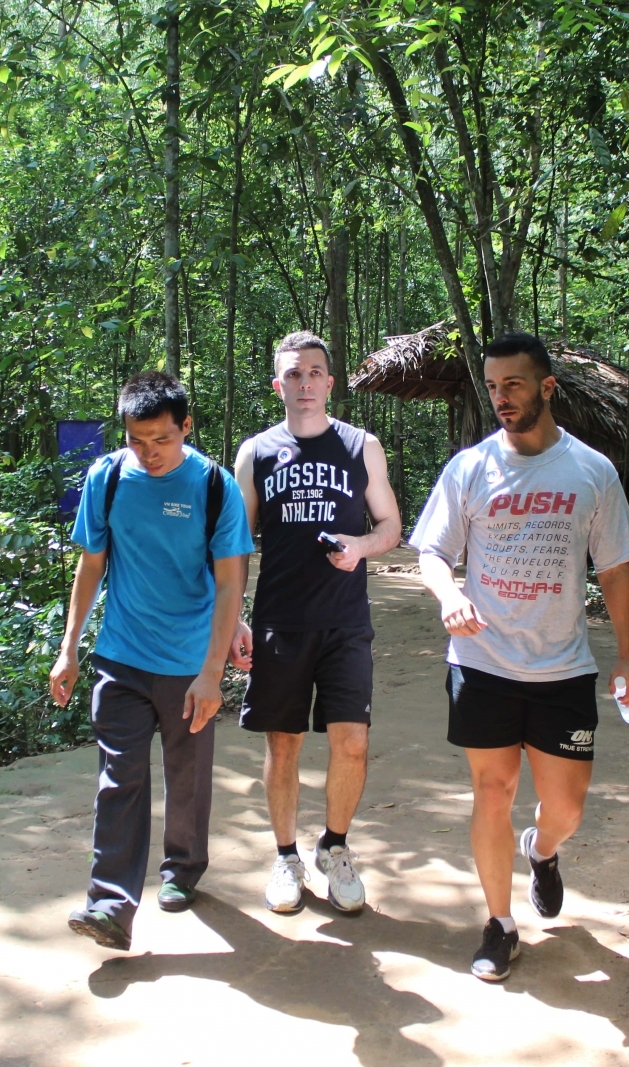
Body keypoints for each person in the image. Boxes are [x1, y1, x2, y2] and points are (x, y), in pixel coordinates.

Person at [410, 332, 629, 981]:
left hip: (562, 667)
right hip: (481, 660)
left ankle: (541, 850)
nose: (500, 397)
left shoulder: (591, 471)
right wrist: (450, 592)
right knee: (492, 789)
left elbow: (618, 568)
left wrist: (627, 656)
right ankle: (499, 923)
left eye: (513, 384)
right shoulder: (470, 468)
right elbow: (430, 551)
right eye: (492, 386)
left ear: (547, 387)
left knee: (565, 806)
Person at [50, 371, 254, 951]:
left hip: (190, 663)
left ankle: (183, 868)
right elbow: (90, 565)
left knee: (185, 779)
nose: (150, 453)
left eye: (161, 440)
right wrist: (70, 647)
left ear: (185, 427)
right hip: (120, 657)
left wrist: (212, 673)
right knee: (120, 780)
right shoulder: (108, 477)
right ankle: (110, 904)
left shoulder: (215, 487)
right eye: (138, 441)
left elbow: (230, 583)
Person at [233, 331, 402, 915]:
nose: (304, 384)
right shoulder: (255, 453)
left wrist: (360, 546)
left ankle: (335, 847)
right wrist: (233, 619)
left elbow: (390, 527)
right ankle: (286, 856)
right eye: (293, 375)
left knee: (351, 743)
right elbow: (234, 547)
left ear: (330, 382)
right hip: (281, 621)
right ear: (278, 384)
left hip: (345, 622)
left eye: (314, 373)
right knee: (284, 745)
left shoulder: (362, 446)